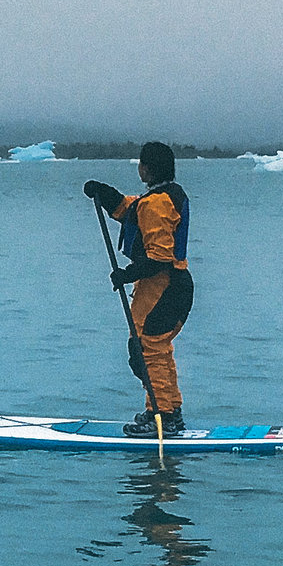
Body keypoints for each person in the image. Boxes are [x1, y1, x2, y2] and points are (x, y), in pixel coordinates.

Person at [85, 141, 193, 437]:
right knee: (158, 350)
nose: (139, 168)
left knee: (146, 350)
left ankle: (162, 417)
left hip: (164, 287)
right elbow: (130, 209)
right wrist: (104, 193)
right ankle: (169, 411)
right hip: (169, 286)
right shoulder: (167, 196)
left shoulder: (158, 203)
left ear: (147, 168)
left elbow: (159, 256)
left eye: (141, 163)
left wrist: (125, 274)